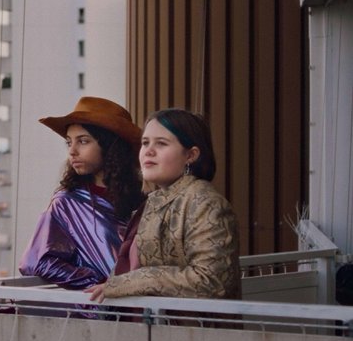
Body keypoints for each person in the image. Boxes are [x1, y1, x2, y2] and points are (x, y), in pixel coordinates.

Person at [87, 107, 240, 302]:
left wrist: (134, 282)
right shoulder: (153, 201)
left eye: (161, 143)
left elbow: (211, 281)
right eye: (145, 143)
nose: (148, 151)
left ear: (191, 155)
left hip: (189, 321)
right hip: (148, 319)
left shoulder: (205, 203)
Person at [20, 96, 143, 289]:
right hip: (98, 305)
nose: (72, 151)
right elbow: (37, 261)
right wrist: (97, 283)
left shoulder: (144, 200)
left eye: (83, 141)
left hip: (144, 302)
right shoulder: (66, 202)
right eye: (69, 143)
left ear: (110, 145)